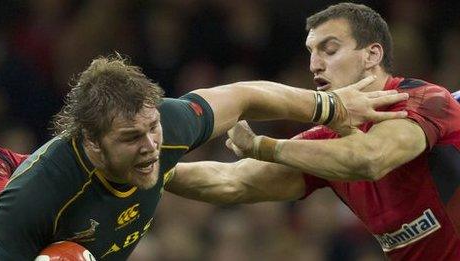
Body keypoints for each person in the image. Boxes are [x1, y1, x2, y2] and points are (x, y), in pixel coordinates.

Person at [0, 54, 406, 260]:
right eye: (131, 138)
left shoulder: (168, 127)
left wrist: (331, 106)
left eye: (152, 128)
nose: (150, 145)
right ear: (91, 141)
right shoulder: (33, 201)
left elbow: (245, 96)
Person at [170, 3, 460, 260]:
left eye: (329, 50)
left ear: (372, 55)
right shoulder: (325, 142)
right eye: (311, 53)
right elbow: (232, 181)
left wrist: (262, 146)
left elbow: (369, 158)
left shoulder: (427, 101)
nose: (314, 64)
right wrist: (151, 171)